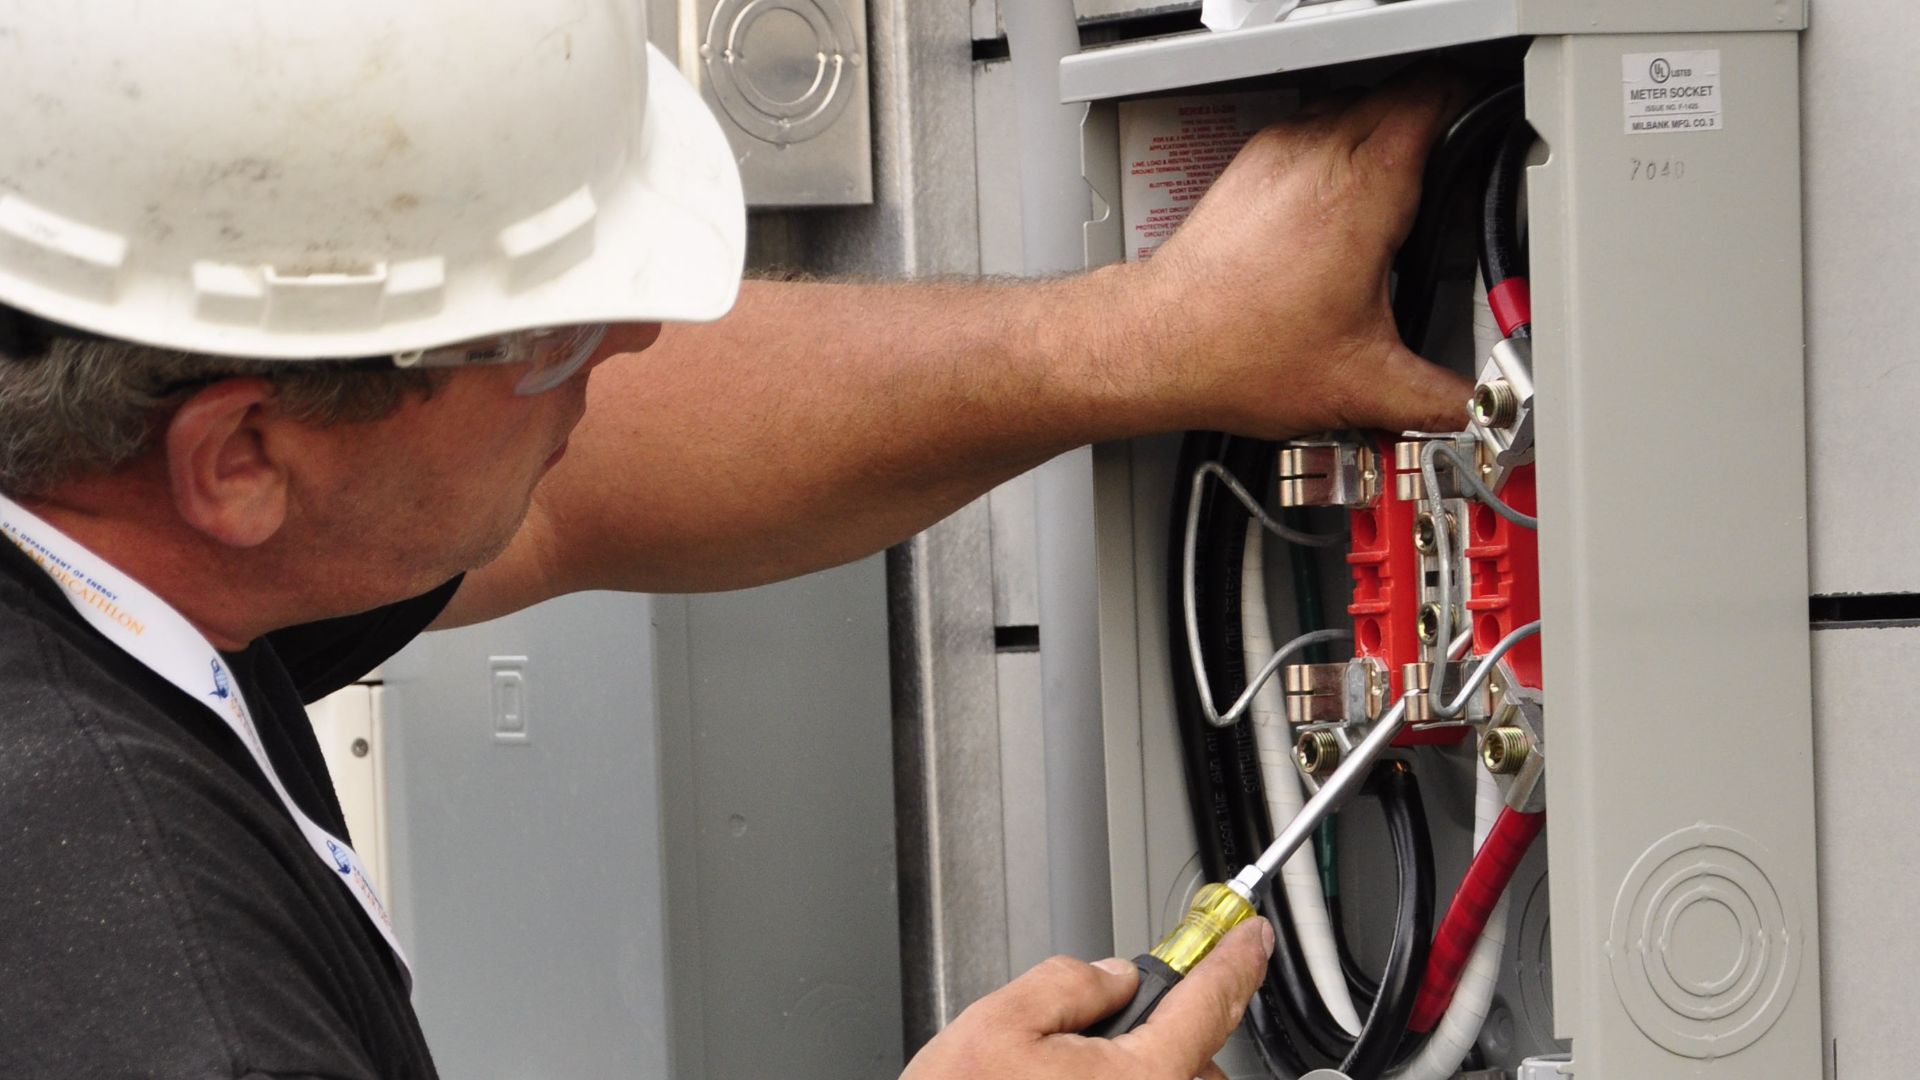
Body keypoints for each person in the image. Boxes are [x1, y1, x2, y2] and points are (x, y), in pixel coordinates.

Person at [0, 4, 1468, 1078]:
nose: (637, 340)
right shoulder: (170, 998)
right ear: (242, 458)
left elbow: (575, 479)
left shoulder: (109, 508)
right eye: (550, 332)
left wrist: (1160, 334)